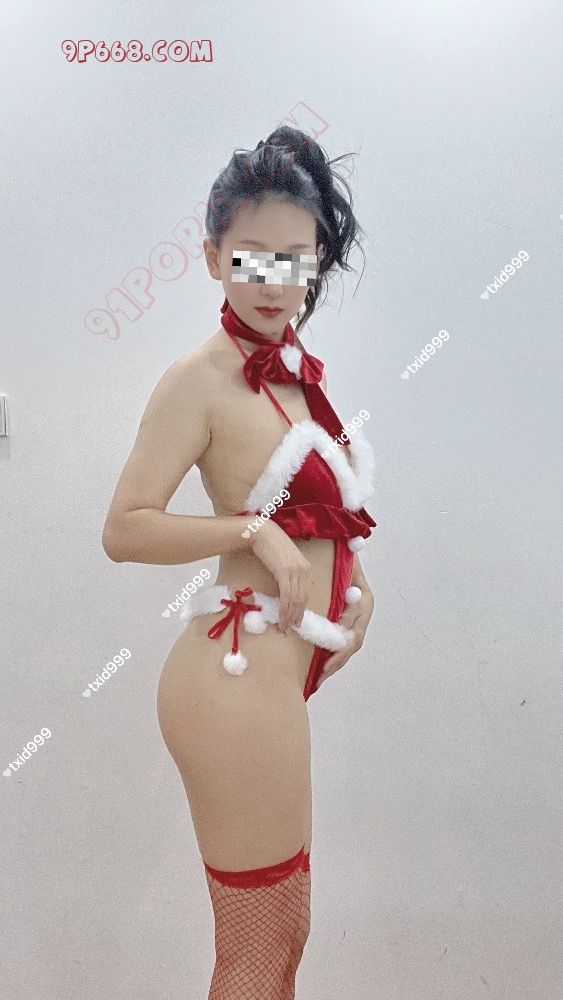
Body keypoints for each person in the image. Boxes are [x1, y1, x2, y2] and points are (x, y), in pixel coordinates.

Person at [102, 126, 378, 999]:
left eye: (294, 259)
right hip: (231, 676)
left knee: (284, 937)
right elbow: (125, 529)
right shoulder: (201, 378)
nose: (273, 281)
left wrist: (357, 597)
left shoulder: (297, 377)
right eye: (251, 257)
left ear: (316, 262)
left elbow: (324, 519)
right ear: (213, 256)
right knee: (258, 951)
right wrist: (248, 532)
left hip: (277, 672)